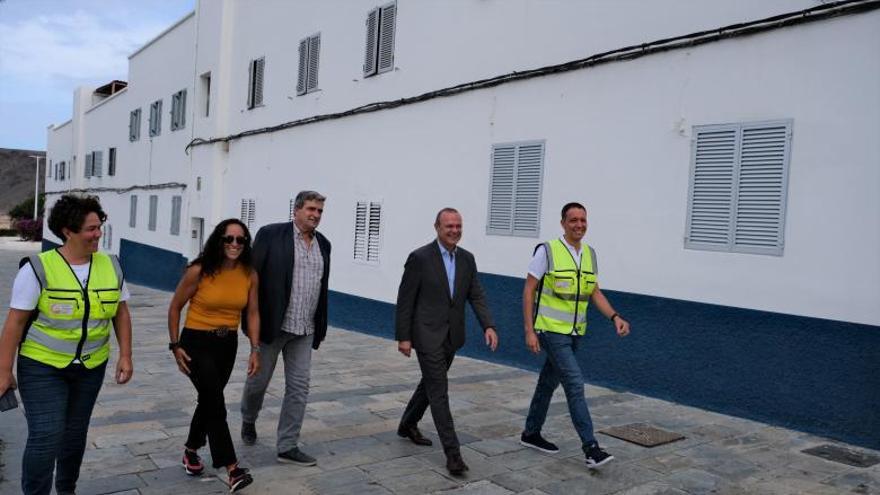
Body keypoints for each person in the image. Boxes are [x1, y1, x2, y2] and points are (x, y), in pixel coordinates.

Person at [0, 194, 133, 495]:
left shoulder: (112, 266)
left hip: (91, 366)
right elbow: (14, 324)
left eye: (99, 227)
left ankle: (66, 490)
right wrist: (4, 371)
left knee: (74, 437)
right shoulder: (37, 268)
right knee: (46, 436)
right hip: (42, 367)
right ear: (67, 231)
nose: (98, 233)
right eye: (90, 229)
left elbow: (121, 314)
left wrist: (126, 355)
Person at [519, 202, 631, 468]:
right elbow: (528, 290)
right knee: (574, 383)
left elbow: (594, 292)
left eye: (583, 220)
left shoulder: (590, 254)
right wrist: (529, 330)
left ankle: (531, 433)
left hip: (575, 332)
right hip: (550, 330)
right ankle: (591, 448)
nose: (579, 225)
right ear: (563, 223)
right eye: (573, 220)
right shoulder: (547, 251)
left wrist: (615, 316)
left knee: (548, 382)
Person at [395, 207, 499, 476]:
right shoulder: (419, 258)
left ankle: (408, 424)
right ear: (437, 227)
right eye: (449, 226)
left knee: (430, 383)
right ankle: (453, 455)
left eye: (458, 226)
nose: (454, 231)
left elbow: (476, 295)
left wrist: (488, 325)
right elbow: (405, 300)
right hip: (426, 334)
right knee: (439, 392)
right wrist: (404, 337)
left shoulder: (467, 259)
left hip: (452, 336)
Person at [167, 218, 260, 492]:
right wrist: (175, 346)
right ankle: (232, 468)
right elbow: (175, 308)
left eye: (240, 240)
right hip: (196, 342)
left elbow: (253, 313)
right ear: (218, 240)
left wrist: (255, 349)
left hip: (227, 344)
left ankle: (191, 450)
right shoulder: (199, 270)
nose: (234, 244)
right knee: (215, 401)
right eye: (228, 238)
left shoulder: (249, 274)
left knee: (209, 399)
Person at [240, 190, 331, 466]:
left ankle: (287, 445)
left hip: (305, 329)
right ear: (297, 210)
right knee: (258, 383)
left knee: (299, 387)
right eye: (311, 209)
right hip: (272, 326)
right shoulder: (271, 235)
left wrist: (320, 324)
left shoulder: (324, 244)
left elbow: (322, 287)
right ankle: (248, 418)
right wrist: (249, 324)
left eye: (319, 211)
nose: (315, 215)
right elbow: (251, 278)